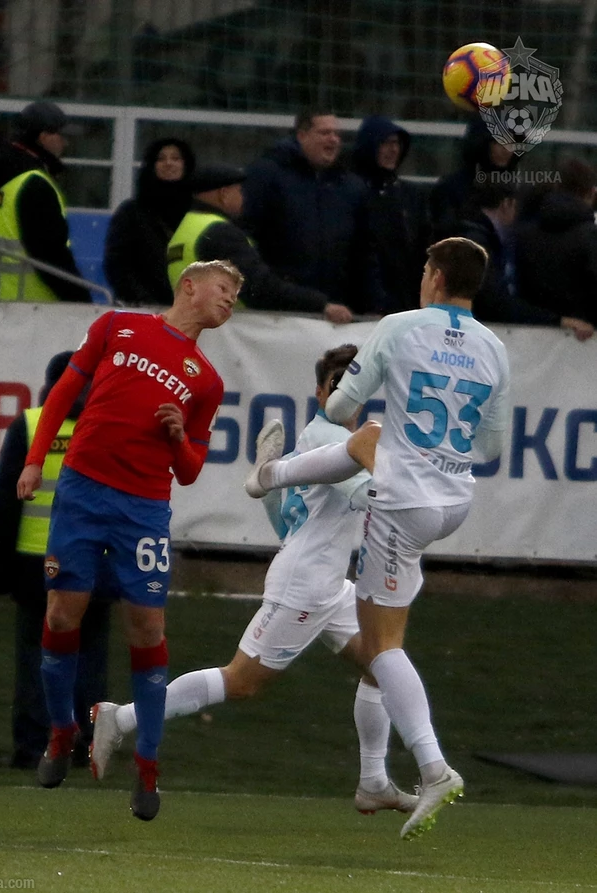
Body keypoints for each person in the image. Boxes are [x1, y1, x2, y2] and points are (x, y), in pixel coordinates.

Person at [245, 237, 511, 841]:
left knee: (381, 646)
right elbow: (492, 445)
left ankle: (434, 768)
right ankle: (269, 477)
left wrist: (389, 420)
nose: (422, 276)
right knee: (368, 442)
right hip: (453, 500)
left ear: (436, 276)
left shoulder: (399, 326)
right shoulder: (495, 348)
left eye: (425, 268)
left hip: (405, 501)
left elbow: (342, 403)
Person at [89, 344, 417, 816]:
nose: (344, 391)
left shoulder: (336, 440)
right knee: (241, 681)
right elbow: (373, 496)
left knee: (380, 664)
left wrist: (266, 484)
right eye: (335, 383)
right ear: (320, 392)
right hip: (304, 586)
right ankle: (120, 718)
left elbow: (288, 523)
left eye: (352, 383)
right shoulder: (330, 437)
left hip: (328, 584)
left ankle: (373, 782)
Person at [16, 259, 243, 821]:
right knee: (62, 614)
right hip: (82, 491)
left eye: (236, 296)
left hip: (142, 510)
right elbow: (66, 389)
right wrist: (35, 460)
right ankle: (61, 732)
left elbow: (190, 469)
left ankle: (147, 764)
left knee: (146, 627)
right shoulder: (117, 326)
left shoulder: (206, 380)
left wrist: (177, 438)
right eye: (223, 289)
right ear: (189, 286)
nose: (230, 301)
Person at [0, 351, 114, 769]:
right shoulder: (110, 428)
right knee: (89, 659)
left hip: (34, 566)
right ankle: (87, 744)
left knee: (36, 659)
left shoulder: (31, 425)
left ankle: (34, 745)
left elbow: (6, 503)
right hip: (94, 566)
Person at [242, 109, 384, 320]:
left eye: (337, 134)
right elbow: (248, 236)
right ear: (302, 135)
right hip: (280, 313)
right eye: (325, 133)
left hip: (339, 313)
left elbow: (364, 253)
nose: (333, 139)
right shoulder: (268, 176)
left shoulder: (351, 187)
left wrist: (375, 306)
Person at [167, 163, 346, 319]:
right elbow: (260, 288)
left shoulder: (185, 230)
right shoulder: (220, 233)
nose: (243, 198)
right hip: (230, 332)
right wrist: (320, 304)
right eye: (239, 191)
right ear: (224, 194)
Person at [0, 101, 91, 302]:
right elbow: (50, 256)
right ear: (44, 137)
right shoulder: (34, 184)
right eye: (61, 136)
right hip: (34, 305)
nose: (65, 143)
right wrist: (81, 301)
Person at [457, 183, 593, 341]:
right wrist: (557, 320)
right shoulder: (478, 244)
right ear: (507, 204)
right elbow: (496, 303)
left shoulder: (477, 237)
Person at [351, 115, 432, 313]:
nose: (393, 150)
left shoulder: (411, 195)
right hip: (364, 306)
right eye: (385, 143)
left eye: (396, 143)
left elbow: (424, 248)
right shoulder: (351, 191)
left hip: (408, 303)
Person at [104, 138, 196, 306]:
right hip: (142, 308)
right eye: (161, 158)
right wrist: (142, 300)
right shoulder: (131, 212)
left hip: (191, 307)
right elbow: (117, 264)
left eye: (176, 158)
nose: (168, 163)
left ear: (186, 165)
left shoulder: (198, 211)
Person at [515, 157, 597, 336]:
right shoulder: (590, 236)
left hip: (527, 334)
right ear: (591, 193)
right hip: (584, 335)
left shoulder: (524, 234)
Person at [430, 115, 519, 240]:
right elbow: (446, 235)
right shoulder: (451, 188)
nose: (506, 150)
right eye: (498, 142)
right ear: (481, 144)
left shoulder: (515, 188)